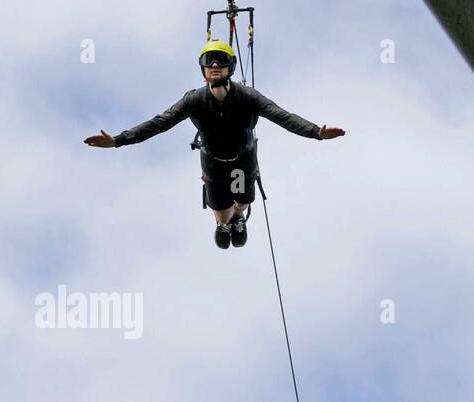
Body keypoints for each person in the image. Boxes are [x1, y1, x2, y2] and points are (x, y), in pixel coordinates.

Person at [84, 39, 344, 249]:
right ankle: (224, 224)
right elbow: (159, 123)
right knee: (220, 208)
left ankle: (239, 217)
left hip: (242, 159)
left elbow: (282, 116)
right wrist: (118, 141)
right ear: (203, 70)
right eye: (209, 61)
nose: (215, 65)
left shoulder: (247, 97)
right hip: (213, 162)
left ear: (230, 66)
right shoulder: (193, 100)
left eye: (220, 60)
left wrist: (316, 133)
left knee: (242, 198)